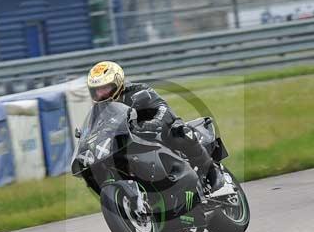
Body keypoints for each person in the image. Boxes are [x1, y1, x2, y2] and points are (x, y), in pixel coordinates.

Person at [86, 60, 224, 192]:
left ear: (118, 84)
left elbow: (162, 108)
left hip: (155, 131)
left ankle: (211, 171)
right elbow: (91, 131)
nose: (101, 94)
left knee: (180, 132)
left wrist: (155, 122)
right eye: (96, 90)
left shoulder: (138, 90)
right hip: (128, 143)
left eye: (105, 88)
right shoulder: (97, 112)